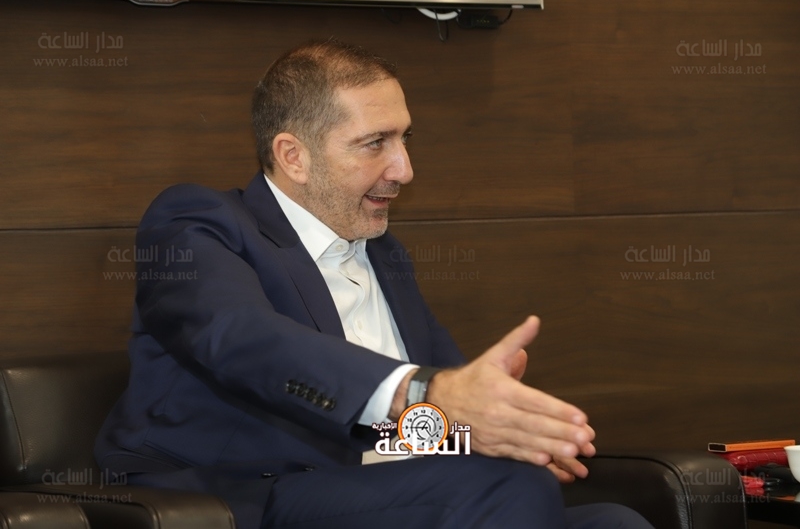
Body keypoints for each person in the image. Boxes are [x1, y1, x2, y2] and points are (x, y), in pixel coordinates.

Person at [95, 39, 653, 529]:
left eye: (405, 139)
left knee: (614, 521)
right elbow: (239, 337)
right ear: (294, 156)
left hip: (382, 494)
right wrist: (427, 393)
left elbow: (418, 427)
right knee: (502, 487)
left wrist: (502, 433)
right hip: (244, 495)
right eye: (375, 143)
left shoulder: (385, 255)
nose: (404, 169)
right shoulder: (198, 222)